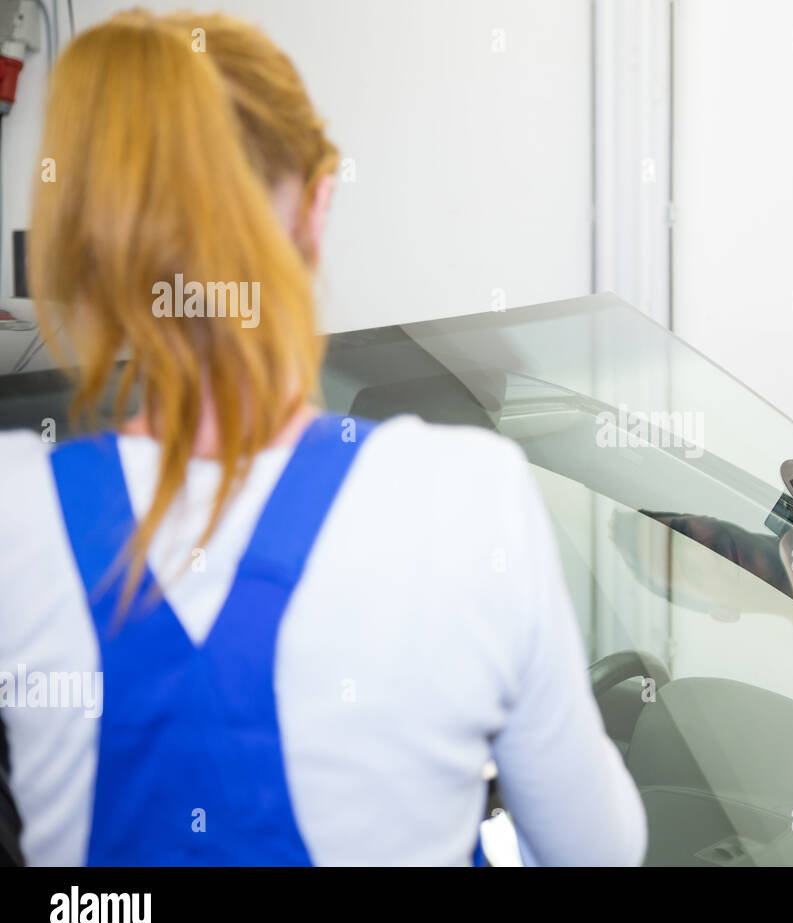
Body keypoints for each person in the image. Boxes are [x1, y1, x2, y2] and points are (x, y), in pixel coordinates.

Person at [0, 10, 645, 865]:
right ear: (316, 205)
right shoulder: (466, 497)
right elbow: (594, 850)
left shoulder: (14, 512)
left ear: (84, 241)